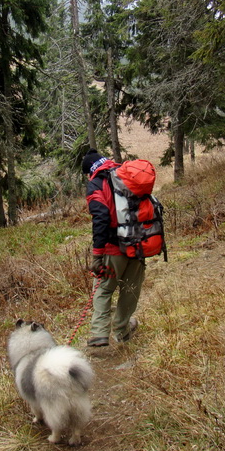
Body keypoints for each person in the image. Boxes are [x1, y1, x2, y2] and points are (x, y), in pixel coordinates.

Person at [82, 148, 145, 347]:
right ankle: (122, 330)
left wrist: (97, 255)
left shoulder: (96, 184)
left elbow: (100, 218)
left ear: (90, 170)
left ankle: (99, 333)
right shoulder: (125, 174)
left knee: (103, 289)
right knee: (130, 288)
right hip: (138, 245)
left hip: (112, 249)